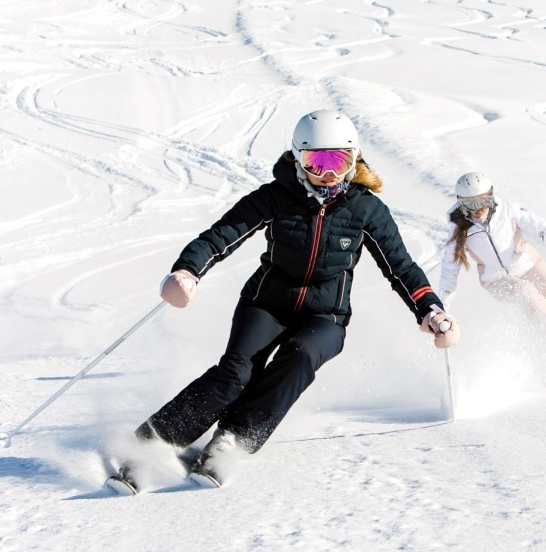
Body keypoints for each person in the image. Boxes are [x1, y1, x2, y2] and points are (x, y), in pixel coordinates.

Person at [107, 109, 459, 493]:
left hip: (326, 316)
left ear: (353, 160)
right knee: (235, 375)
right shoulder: (276, 197)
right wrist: (186, 273)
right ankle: (150, 444)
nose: (328, 174)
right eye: (316, 162)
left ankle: (233, 438)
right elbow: (220, 236)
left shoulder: (365, 209)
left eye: (338, 161)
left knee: (302, 355)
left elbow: (401, 266)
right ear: (297, 158)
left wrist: (431, 309)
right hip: (267, 304)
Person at [438, 171, 546, 341]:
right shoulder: (458, 231)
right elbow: (450, 268)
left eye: (484, 200)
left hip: (528, 264)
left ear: (491, 195)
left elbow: (541, 225)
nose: (479, 208)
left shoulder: (507, 210)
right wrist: (443, 302)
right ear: (461, 202)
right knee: (525, 291)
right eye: (471, 203)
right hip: (496, 280)